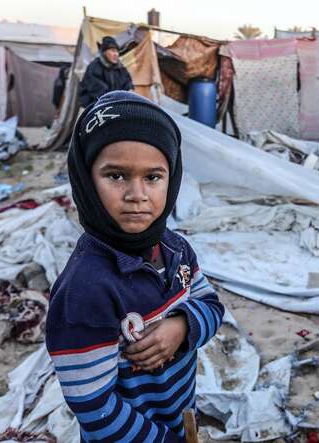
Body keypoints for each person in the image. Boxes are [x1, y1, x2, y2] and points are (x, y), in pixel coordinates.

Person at [46, 91, 224, 442]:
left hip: (179, 415)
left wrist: (182, 328)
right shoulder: (86, 289)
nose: (137, 194)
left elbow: (211, 305)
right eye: (116, 176)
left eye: (153, 177)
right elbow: (94, 407)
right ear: (85, 178)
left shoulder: (176, 250)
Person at [79, 36, 134, 108]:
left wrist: (130, 90)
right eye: (112, 51)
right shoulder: (94, 67)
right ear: (104, 52)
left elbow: (128, 83)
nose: (116, 54)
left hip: (115, 105)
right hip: (95, 106)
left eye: (117, 51)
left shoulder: (120, 68)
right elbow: (99, 91)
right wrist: (117, 99)